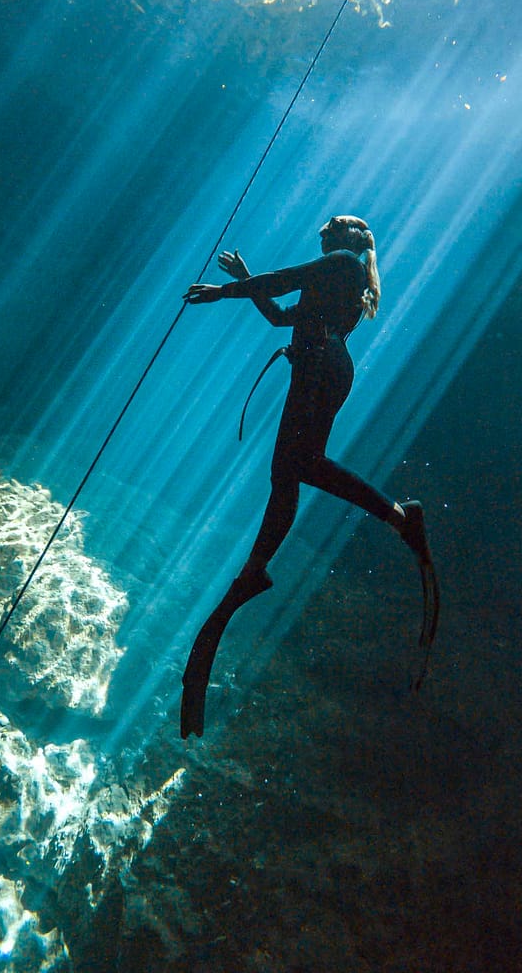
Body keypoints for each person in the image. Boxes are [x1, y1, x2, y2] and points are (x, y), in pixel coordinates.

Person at [180, 215, 439, 738]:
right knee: (288, 473)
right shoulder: (340, 274)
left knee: (299, 467)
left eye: (329, 229)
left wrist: (225, 291)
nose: (320, 233)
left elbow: (280, 283)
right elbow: (278, 314)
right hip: (320, 366)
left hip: (319, 368)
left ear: (343, 239)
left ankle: (397, 517)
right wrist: (246, 280)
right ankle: (261, 565)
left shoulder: (340, 264)